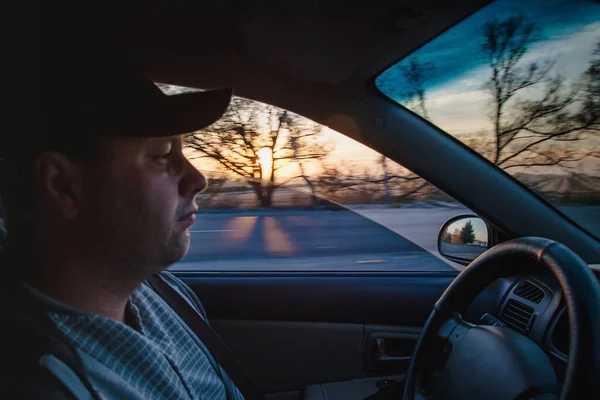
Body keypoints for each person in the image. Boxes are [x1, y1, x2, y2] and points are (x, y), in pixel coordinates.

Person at [0, 7, 257, 400]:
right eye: (160, 155)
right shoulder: (41, 381)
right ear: (64, 186)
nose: (198, 179)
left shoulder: (165, 292)